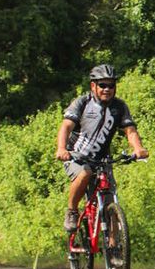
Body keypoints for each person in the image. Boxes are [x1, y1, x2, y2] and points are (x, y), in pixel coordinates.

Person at [56, 64, 149, 233]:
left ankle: (114, 251)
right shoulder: (83, 102)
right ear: (93, 86)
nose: (107, 89)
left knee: (110, 199)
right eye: (102, 85)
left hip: (102, 159)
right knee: (85, 173)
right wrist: (62, 149)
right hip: (77, 156)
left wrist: (138, 148)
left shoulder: (119, 107)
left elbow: (130, 131)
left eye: (111, 85)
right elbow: (66, 127)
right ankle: (72, 211)